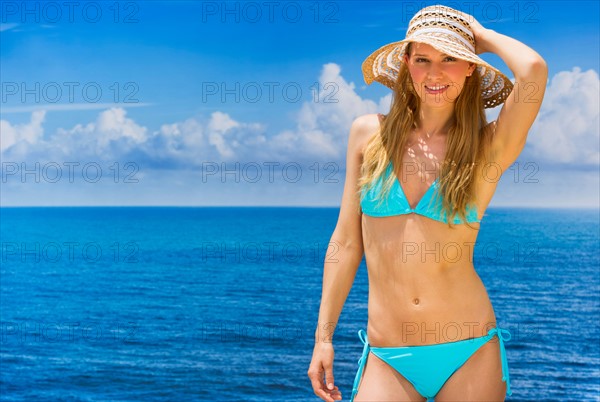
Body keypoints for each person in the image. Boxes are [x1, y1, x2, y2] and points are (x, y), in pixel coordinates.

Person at [307, 4, 547, 402]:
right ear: (406, 63)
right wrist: (323, 338)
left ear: (471, 67)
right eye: (423, 59)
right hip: (388, 357)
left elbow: (534, 70)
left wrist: (478, 35)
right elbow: (346, 243)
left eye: (450, 59)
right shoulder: (369, 135)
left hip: (468, 352)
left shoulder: (487, 148)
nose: (435, 74)